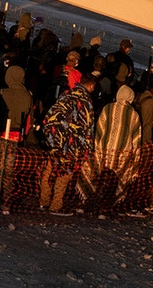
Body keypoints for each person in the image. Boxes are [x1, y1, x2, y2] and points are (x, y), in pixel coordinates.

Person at [77, 83, 141, 211]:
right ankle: (108, 204)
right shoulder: (134, 114)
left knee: (101, 177)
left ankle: (92, 201)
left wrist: (96, 147)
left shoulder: (107, 108)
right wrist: (136, 158)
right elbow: (136, 138)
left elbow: (99, 129)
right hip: (123, 154)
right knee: (114, 181)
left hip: (105, 151)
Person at [39, 74, 95, 215]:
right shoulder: (86, 101)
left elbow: (51, 115)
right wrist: (87, 148)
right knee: (64, 174)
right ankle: (55, 206)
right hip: (72, 145)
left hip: (55, 140)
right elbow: (87, 126)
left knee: (50, 170)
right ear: (91, 86)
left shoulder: (66, 94)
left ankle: (43, 201)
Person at [0, 64, 31, 214]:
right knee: (9, 172)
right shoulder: (28, 96)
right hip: (15, 138)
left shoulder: (2, 92)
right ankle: (5, 203)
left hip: (0, 135)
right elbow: (29, 121)